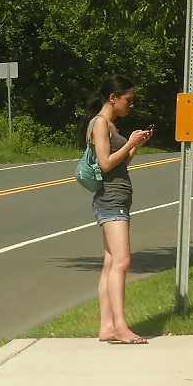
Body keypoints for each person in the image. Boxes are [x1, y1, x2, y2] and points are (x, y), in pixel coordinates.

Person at [78, 74, 153, 345]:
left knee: (110, 264)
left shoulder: (108, 124)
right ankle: (120, 327)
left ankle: (107, 327)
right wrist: (130, 143)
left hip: (116, 199)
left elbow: (119, 164)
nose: (130, 105)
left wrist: (135, 147)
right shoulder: (99, 124)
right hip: (111, 201)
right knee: (122, 262)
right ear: (113, 98)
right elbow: (106, 164)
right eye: (128, 100)